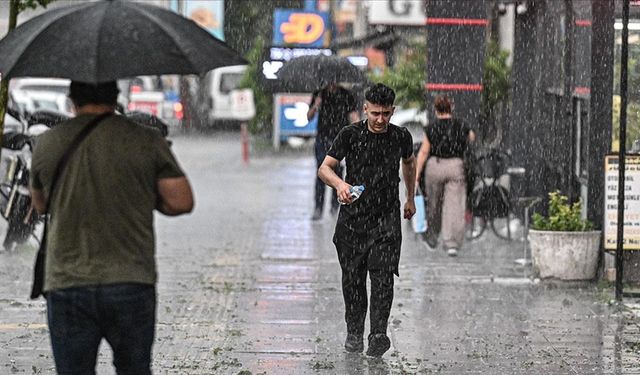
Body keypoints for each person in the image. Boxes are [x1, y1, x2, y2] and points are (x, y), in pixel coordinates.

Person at [29, 81, 194, 374]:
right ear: (115, 98)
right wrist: (141, 193)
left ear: (72, 101)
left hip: (68, 282)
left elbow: (40, 205)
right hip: (130, 280)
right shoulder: (146, 140)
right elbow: (181, 201)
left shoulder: (48, 143)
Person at [318, 83, 416, 357]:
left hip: (386, 218)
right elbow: (325, 168)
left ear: (393, 111)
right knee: (353, 280)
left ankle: (378, 334)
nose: (380, 119)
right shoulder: (350, 135)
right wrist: (339, 185)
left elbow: (409, 163)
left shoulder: (400, 136)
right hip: (353, 219)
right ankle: (353, 331)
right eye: (375, 113)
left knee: (383, 278)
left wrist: (410, 196)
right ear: (365, 109)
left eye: (386, 113)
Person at [415, 94, 475, 257]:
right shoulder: (461, 125)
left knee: (434, 204)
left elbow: (424, 152)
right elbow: (471, 138)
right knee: (454, 205)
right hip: (456, 166)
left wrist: (416, 175)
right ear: (451, 108)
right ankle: (451, 243)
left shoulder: (431, 127)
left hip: (435, 166)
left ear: (436, 110)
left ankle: (433, 235)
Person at [308, 82, 359, 221]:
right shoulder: (319, 93)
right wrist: (316, 104)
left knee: (338, 173)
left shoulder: (346, 95)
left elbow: (353, 115)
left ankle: (335, 207)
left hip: (341, 139)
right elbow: (309, 116)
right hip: (322, 138)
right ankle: (318, 207)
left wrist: (359, 132)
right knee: (321, 172)